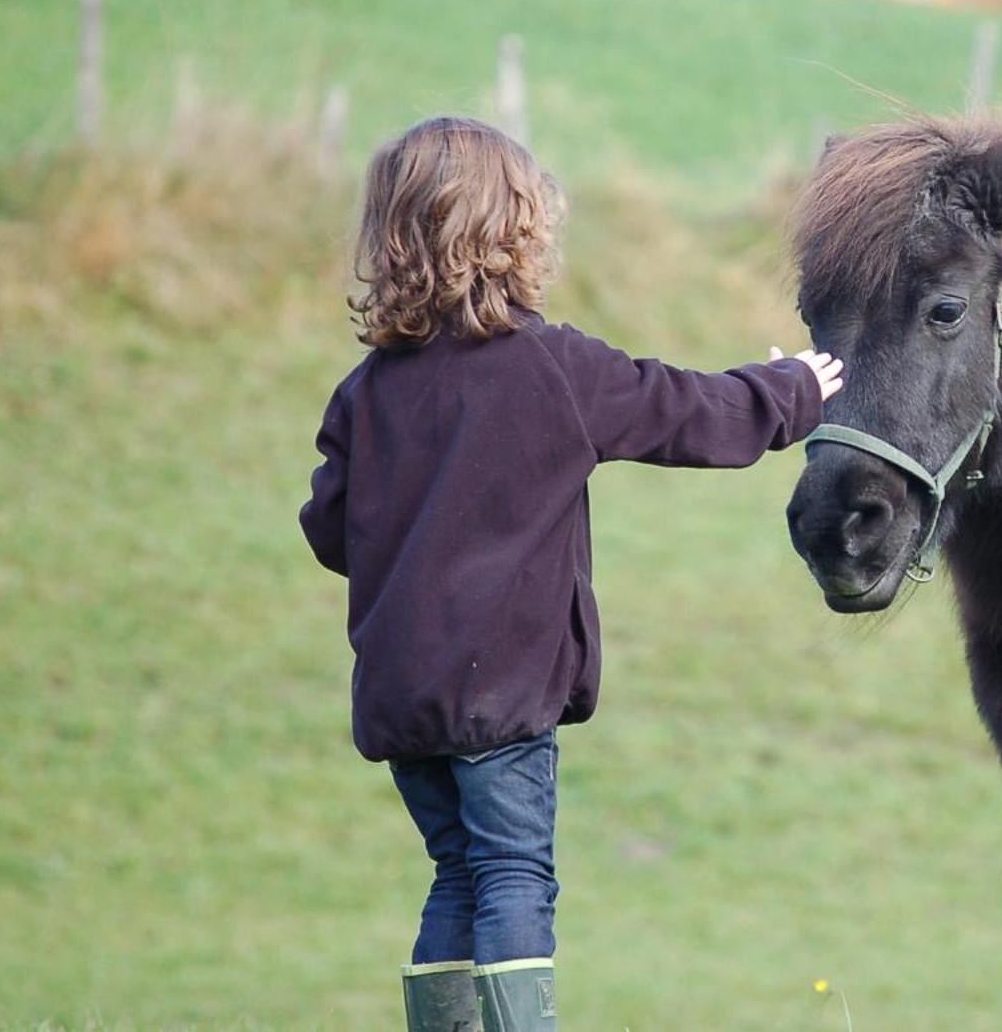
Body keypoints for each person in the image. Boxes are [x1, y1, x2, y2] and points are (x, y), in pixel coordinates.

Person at [297, 116, 843, 1032]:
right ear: (516, 234)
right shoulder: (550, 367)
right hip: (501, 697)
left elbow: (328, 526)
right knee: (514, 872)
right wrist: (795, 390)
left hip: (403, 701)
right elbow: (690, 412)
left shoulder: (366, 391)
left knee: (457, 872)